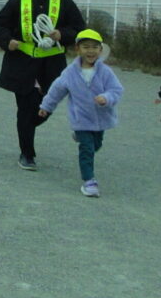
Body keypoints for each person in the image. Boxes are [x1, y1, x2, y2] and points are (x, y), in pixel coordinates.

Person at [0, 0, 86, 171]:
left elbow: (79, 29)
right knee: (26, 108)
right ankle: (27, 153)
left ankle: (26, 127)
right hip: (22, 63)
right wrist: (8, 41)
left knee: (45, 108)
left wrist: (62, 34)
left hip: (52, 64)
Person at [38, 30, 124, 197]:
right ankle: (89, 181)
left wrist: (106, 98)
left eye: (94, 47)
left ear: (100, 50)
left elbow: (117, 90)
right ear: (78, 49)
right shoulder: (70, 73)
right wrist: (46, 106)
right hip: (81, 119)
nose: (90, 51)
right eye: (86, 47)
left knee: (95, 146)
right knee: (87, 149)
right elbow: (57, 90)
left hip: (101, 119)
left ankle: (81, 139)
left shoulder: (106, 72)